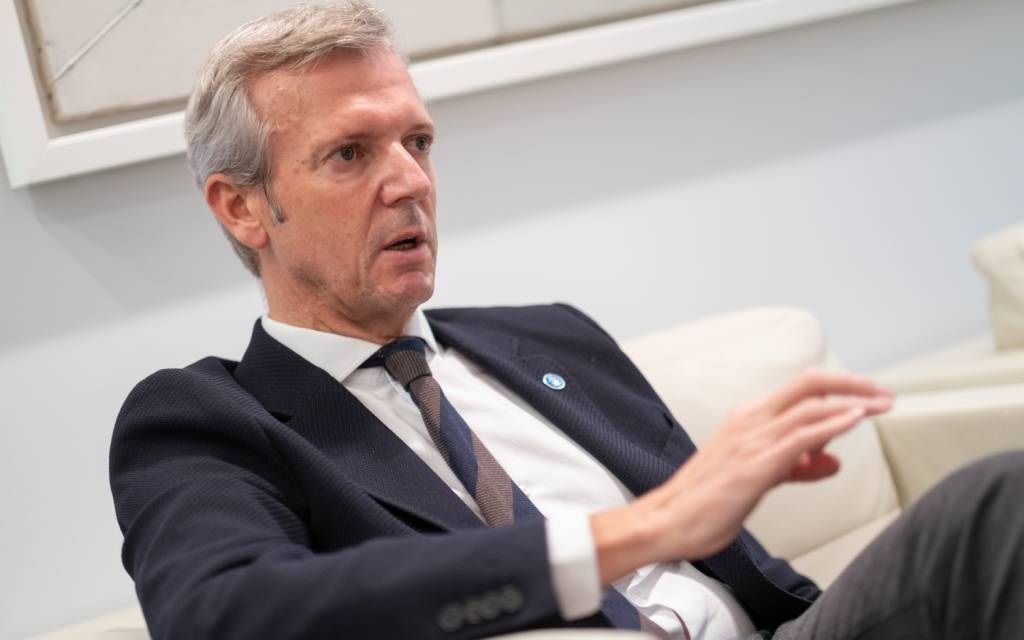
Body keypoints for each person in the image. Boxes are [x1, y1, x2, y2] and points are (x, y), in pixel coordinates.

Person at [110, 3, 1024, 639]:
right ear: (241, 207)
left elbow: (756, 580)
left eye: (418, 142)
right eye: (350, 153)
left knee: (999, 504)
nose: (411, 180)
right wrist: (639, 531)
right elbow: (227, 617)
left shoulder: (547, 337)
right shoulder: (205, 421)